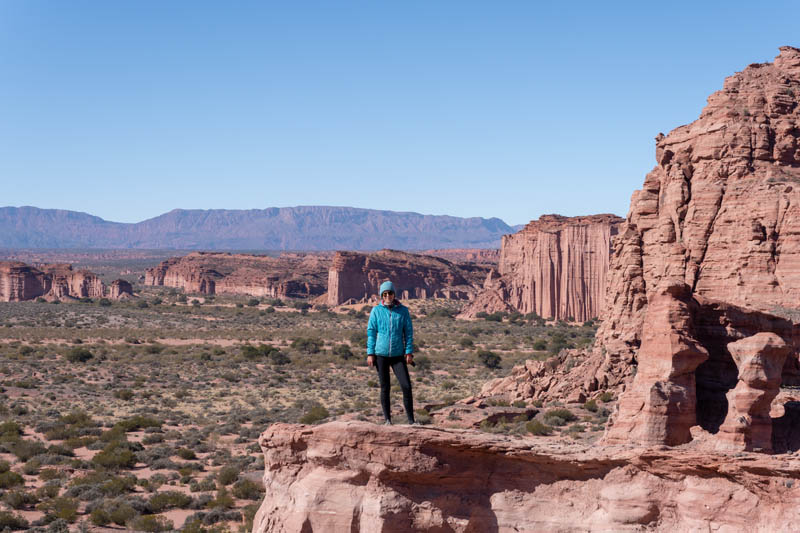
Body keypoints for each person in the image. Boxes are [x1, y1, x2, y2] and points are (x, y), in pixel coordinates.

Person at [366, 281, 416, 425]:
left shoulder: (403, 311)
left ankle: (411, 421)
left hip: (398, 355)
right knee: (385, 387)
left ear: (394, 294)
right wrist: (370, 353)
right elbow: (371, 332)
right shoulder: (376, 311)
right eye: (385, 294)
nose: (388, 296)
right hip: (380, 354)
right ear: (382, 295)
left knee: (406, 386)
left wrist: (409, 352)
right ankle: (388, 420)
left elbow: (408, 333)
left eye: (390, 293)